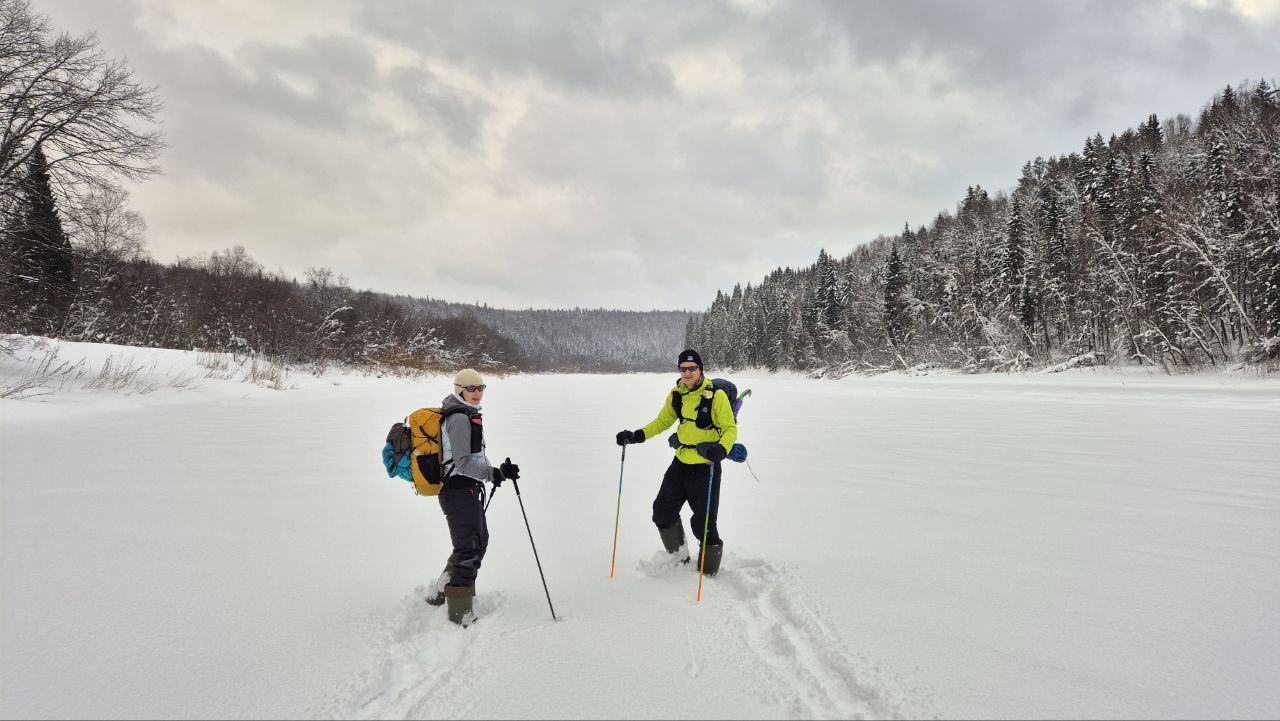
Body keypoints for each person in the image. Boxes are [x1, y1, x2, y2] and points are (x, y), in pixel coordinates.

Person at [614, 349, 736, 576]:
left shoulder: (716, 395)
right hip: (680, 464)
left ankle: (708, 574)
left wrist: (722, 448)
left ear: (700, 369)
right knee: (662, 512)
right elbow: (662, 421)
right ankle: (679, 559)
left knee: (705, 525)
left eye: (692, 368)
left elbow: (730, 428)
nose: (687, 373)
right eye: (683, 369)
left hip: (706, 467)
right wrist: (637, 435)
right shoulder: (677, 394)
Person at [426, 368, 520, 627]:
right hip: (457, 491)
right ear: (460, 390)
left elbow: (473, 457)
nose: (477, 393)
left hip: (466, 489)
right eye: (471, 388)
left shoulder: (467, 413)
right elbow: (463, 462)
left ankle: (444, 590)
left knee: (477, 541)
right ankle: (459, 614)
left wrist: (497, 471)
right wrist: (492, 473)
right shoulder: (458, 418)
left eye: (480, 388)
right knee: (469, 548)